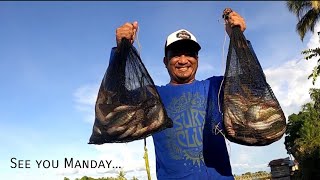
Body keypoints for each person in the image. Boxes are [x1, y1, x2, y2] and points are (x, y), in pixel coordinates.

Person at [113, 8, 246, 180]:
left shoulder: (216, 86)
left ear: (197, 59)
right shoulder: (154, 97)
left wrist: (238, 38)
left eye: (189, 53)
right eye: (175, 54)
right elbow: (113, 101)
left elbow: (252, 83)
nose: (183, 60)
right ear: (165, 61)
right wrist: (120, 51)